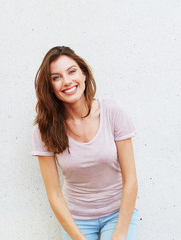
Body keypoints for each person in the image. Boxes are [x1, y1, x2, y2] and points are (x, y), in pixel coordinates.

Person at [32, 46, 139, 240]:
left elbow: (130, 180)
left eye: (71, 71)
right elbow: (54, 194)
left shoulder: (113, 112)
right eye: (56, 77)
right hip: (76, 219)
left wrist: (119, 235)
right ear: (50, 87)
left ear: (83, 74)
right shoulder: (44, 129)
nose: (66, 81)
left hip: (118, 212)